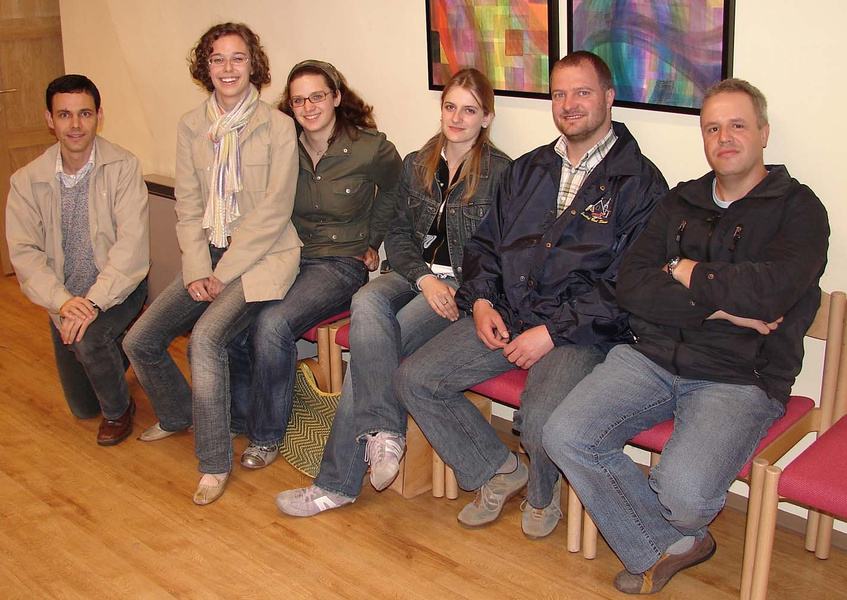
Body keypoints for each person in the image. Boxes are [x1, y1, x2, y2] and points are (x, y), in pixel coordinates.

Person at [542, 79, 829, 594]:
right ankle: (667, 546)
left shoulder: (800, 209)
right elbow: (632, 285)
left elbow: (769, 295)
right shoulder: (681, 200)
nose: (724, 138)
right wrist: (720, 308)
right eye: (712, 128)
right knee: (564, 434)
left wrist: (682, 269)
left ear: (764, 133)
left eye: (737, 125)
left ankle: (670, 532)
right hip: (650, 356)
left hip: (739, 375)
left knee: (684, 498)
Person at [392, 52, 668, 539]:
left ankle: (542, 495)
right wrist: (480, 301)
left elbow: (628, 286)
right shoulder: (528, 169)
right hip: (508, 312)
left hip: (582, 332)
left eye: (582, 92)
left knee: (540, 418)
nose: (569, 104)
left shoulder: (640, 183)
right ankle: (497, 469)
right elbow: (484, 245)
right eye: (559, 94)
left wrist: (552, 333)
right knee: (415, 379)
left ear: (608, 98)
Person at [275, 68, 511, 516]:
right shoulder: (418, 162)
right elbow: (399, 233)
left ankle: (337, 483)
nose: (457, 118)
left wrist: (454, 287)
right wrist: (423, 277)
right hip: (415, 275)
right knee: (366, 299)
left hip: (462, 286)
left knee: (374, 354)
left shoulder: (502, 173)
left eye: (469, 110)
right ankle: (384, 433)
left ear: (486, 118)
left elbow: (500, 252)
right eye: (450, 107)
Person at [123, 23, 300, 505]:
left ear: (253, 64)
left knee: (205, 339)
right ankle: (178, 413)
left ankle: (214, 461)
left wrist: (220, 275)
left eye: (238, 57)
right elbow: (187, 205)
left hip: (262, 259)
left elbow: (274, 213)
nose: (228, 67)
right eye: (217, 58)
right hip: (209, 254)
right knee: (141, 339)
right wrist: (199, 269)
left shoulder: (278, 126)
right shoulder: (191, 125)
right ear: (205, 66)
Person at [226, 59, 401, 472]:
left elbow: (396, 191)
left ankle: (266, 436)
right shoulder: (280, 143)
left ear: (336, 97)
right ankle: (241, 418)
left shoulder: (370, 147)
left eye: (317, 96)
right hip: (284, 255)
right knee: (234, 323)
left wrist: (373, 240)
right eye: (298, 100)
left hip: (339, 263)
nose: (308, 107)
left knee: (272, 325)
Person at [6, 74, 149, 446]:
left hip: (118, 290)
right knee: (83, 407)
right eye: (64, 114)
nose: (75, 125)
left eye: (84, 113)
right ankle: (118, 344)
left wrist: (93, 302)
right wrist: (64, 303)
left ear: (99, 116)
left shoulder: (124, 167)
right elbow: (25, 254)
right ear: (50, 120)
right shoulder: (26, 181)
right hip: (65, 297)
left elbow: (131, 249)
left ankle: (120, 412)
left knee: (88, 339)